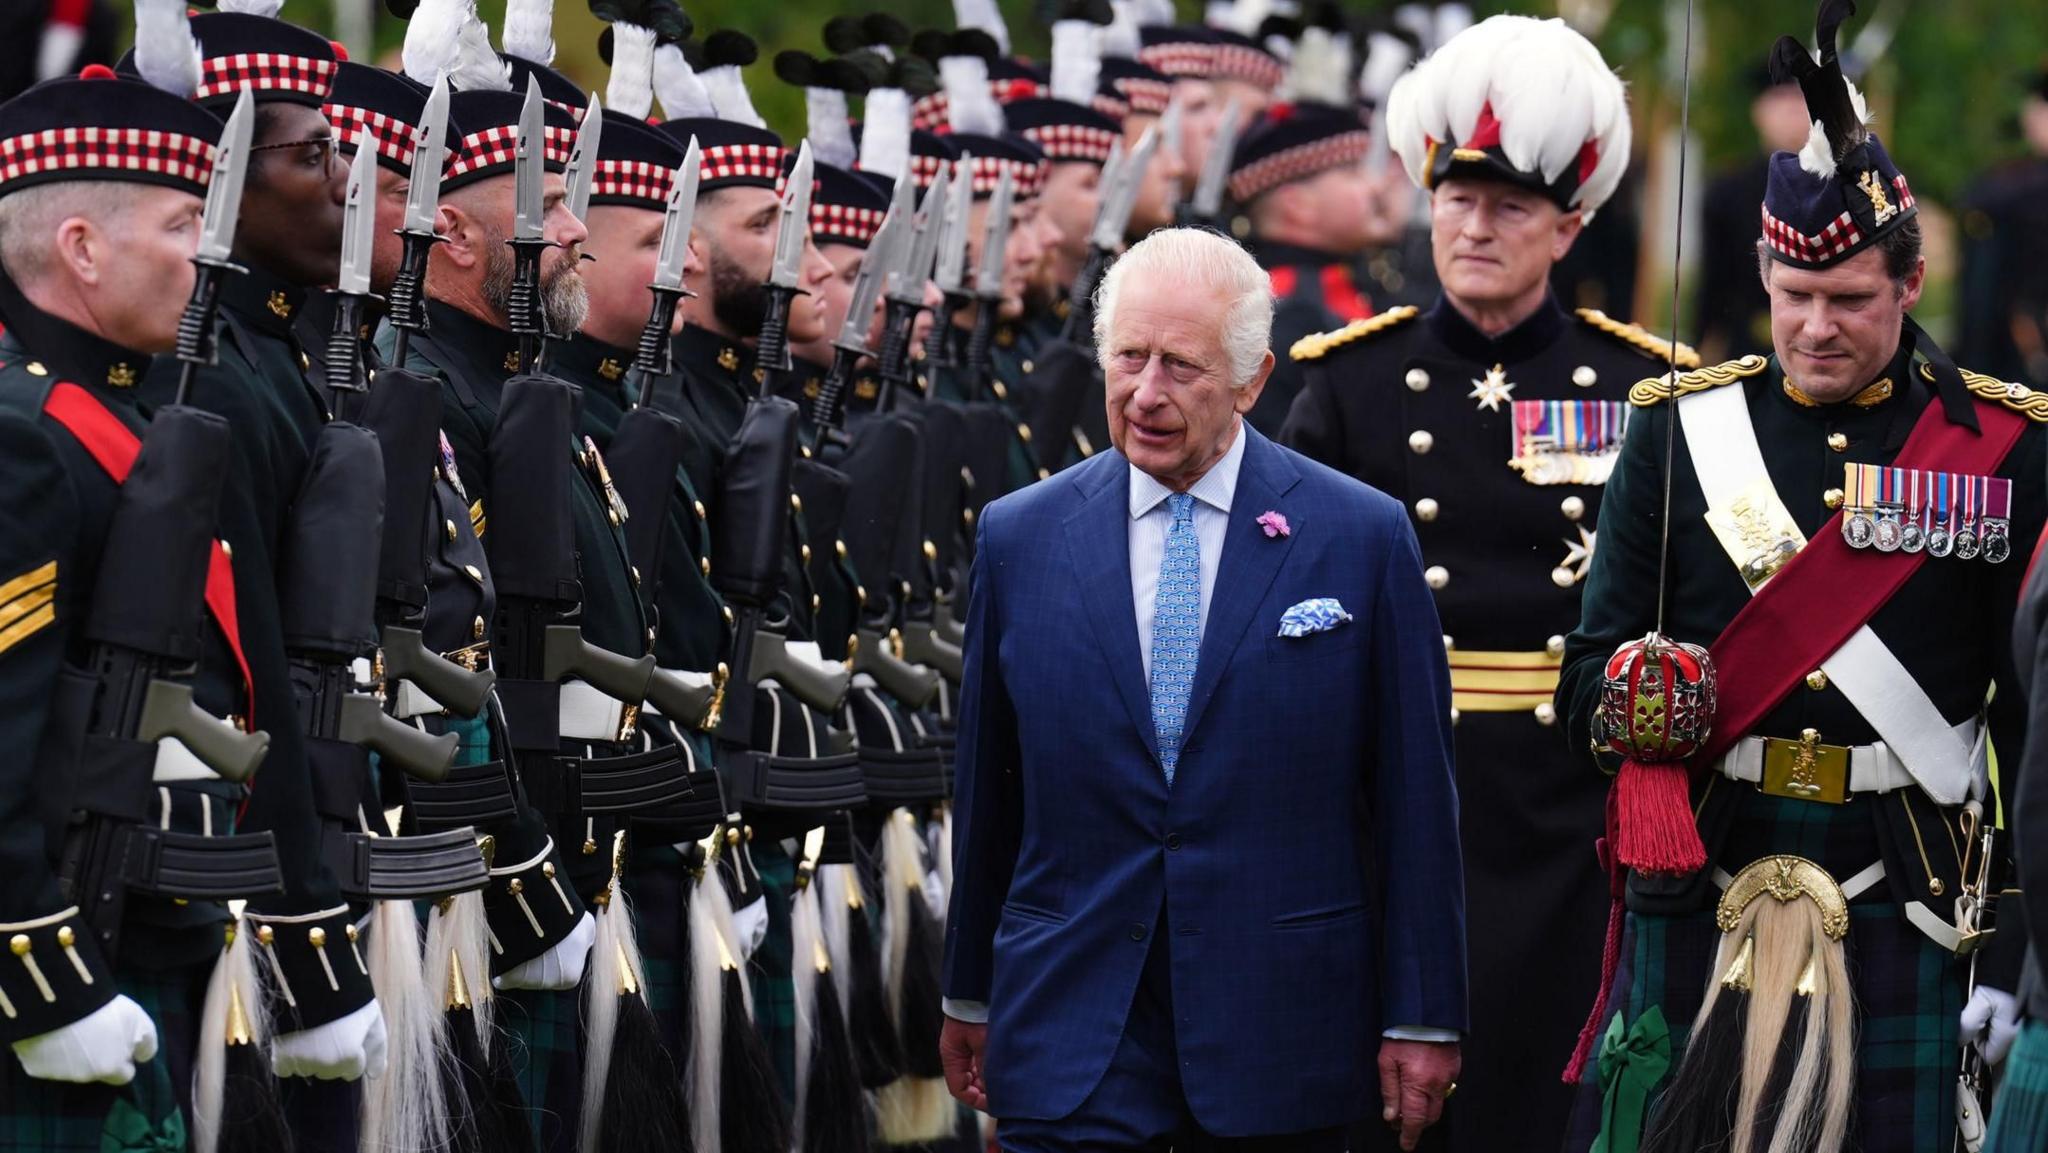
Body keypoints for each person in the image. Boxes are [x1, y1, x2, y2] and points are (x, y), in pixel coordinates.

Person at [1556, 5, 2043, 1150]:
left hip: (1910, 885)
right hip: (1707, 868)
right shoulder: (1677, 432)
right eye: (1791, 298)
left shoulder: (2007, 449)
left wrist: (2018, 947)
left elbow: (2028, 727)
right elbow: (1584, 676)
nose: (1814, 328)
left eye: (1849, 302)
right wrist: (1630, 693)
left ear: (1911, 281)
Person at [940, 226, 1466, 1152]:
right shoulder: (1020, 538)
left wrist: (1423, 1014)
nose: (1146, 394)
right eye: (1129, 358)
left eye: (1180, 367)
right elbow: (990, 788)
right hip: (1074, 1026)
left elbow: (1416, 799)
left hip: (1284, 1035)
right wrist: (968, 989)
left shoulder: (1359, 537)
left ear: (1253, 381)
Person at [1279, 18, 1672, 1153]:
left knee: (1549, 1098)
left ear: (1568, 224)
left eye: (1507, 206)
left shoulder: (1640, 386)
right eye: (1455, 199)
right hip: (1407, 788)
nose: (1473, 225)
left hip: (1567, 806)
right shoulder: (1346, 386)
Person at [1693, 70, 1812, 363]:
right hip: (1748, 348)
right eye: (1780, 101)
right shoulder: (1728, 190)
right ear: (1759, 112)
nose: (1792, 113)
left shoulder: (1849, 186)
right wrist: (1698, 349)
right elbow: (1714, 281)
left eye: (1801, 103)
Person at [1956, 66, 2048, 386]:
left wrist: (1972, 375)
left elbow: (1982, 299)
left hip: (2018, 369)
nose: (2030, 113)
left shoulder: (2005, 194)